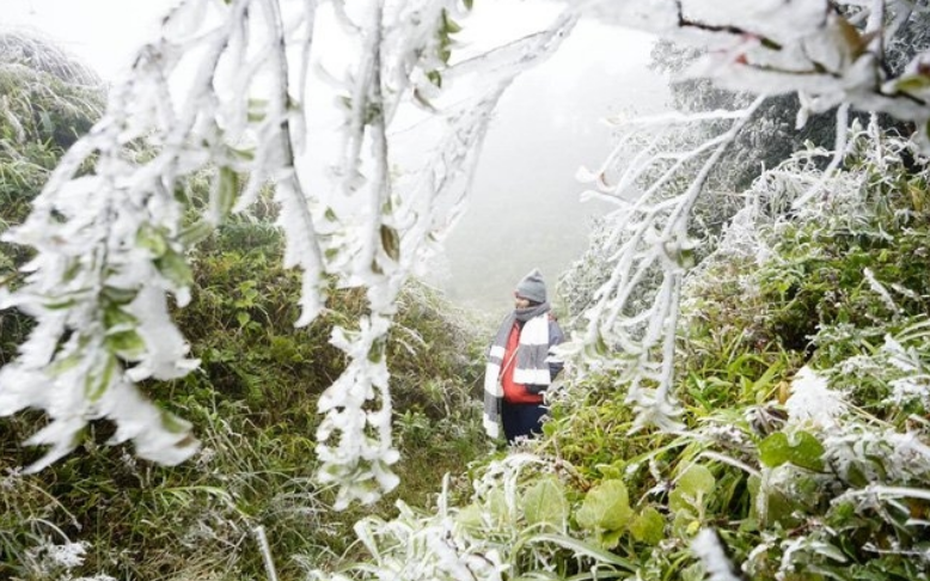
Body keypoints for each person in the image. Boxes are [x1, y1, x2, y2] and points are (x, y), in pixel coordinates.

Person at [483, 268, 565, 444]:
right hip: (508, 403)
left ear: (534, 300)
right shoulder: (509, 322)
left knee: (532, 450)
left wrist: (535, 384)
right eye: (517, 297)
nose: (517, 302)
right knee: (513, 447)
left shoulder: (549, 327)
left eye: (522, 298)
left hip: (532, 405)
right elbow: (496, 348)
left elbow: (558, 359)